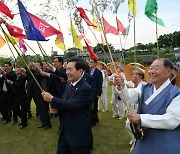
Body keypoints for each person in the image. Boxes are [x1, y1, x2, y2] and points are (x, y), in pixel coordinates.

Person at [115, 58, 180, 154]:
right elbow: (129, 97)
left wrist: (141, 118)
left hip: (166, 141)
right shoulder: (144, 88)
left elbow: (172, 119)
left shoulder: (176, 93)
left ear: (168, 71)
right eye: (150, 68)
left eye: (156, 68)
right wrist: (122, 87)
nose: (151, 71)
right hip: (144, 139)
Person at [41, 59, 92, 154]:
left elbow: (73, 105)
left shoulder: (85, 88)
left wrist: (52, 99)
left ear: (80, 71)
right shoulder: (69, 85)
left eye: (70, 69)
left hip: (78, 134)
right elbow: (65, 102)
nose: (67, 72)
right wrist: (57, 109)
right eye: (66, 70)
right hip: (65, 131)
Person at [89, 58, 103, 126]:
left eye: (91, 62)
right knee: (90, 106)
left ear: (95, 63)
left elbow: (100, 83)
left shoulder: (98, 72)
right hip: (89, 92)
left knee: (94, 106)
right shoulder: (88, 71)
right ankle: (94, 119)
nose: (90, 63)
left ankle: (93, 121)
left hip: (95, 92)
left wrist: (98, 93)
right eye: (90, 62)